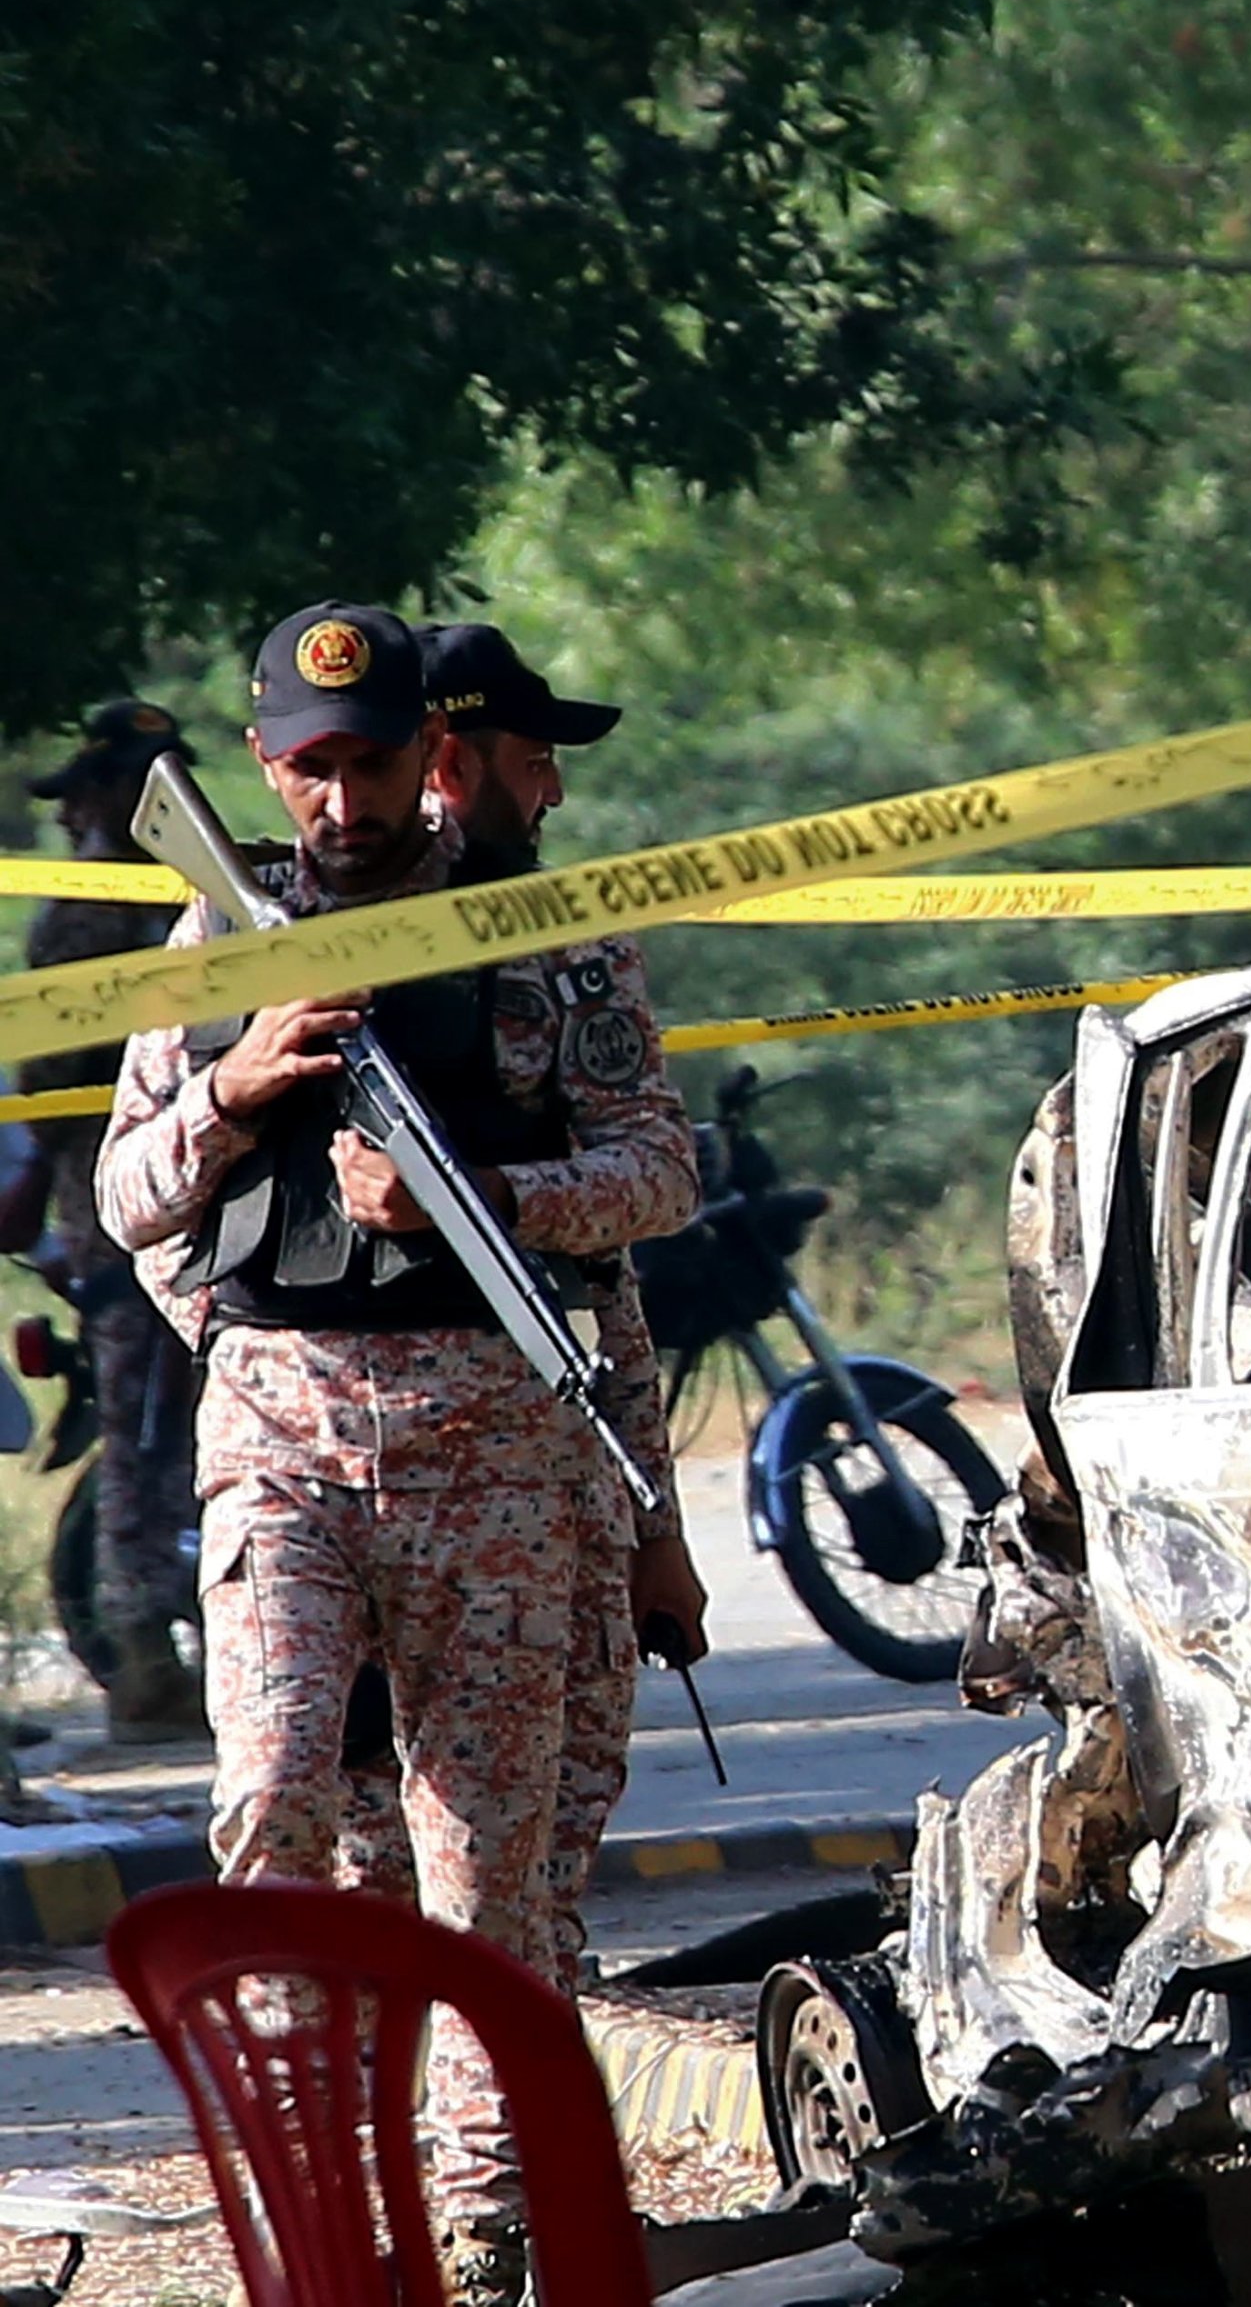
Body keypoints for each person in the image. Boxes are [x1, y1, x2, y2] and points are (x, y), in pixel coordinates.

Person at [92, 604, 696, 2299]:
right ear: (266, 767)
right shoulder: (216, 935)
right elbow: (123, 1197)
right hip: (279, 1426)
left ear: (431, 754)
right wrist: (236, 1089)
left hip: (492, 1442)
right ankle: (310, 2208)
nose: (339, 808)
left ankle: (490, 2230)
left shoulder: (549, 936)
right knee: (273, 1793)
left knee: (481, 1864)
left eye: (370, 768)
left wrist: (484, 1198)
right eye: (308, 773)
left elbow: (657, 1175)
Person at [326, 623, 709, 1983]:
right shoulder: (284, 949)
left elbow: (640, 1208)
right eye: (534, 759)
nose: (551, 794)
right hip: (341, 1483)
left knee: (536, 1863)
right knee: (375, 1869)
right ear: (450, 760)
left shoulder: (568, 946)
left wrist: (651, 1522)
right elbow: (171, 1225)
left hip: (550, 1475)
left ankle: (497, 2161)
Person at [18, 702, 203, 1737]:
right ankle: (141, 1651)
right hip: (119, 1205)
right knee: (139, 1424)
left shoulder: (186, 893)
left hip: (204, 1192)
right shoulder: (84, 913)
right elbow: (53, 1075)